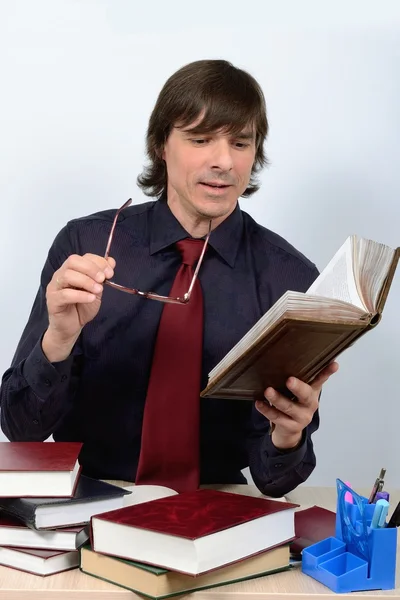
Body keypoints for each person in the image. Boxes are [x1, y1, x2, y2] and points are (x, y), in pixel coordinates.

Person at [0, 59, 338, 496]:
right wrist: (58, 341)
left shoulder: (290, 279)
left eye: (240, 143)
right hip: (91, 499)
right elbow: (20, 429)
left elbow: (276, 481)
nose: (224, 162)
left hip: (216, 505)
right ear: (162, 145)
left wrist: (290, 434)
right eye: (200, 139)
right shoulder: (86, 244)